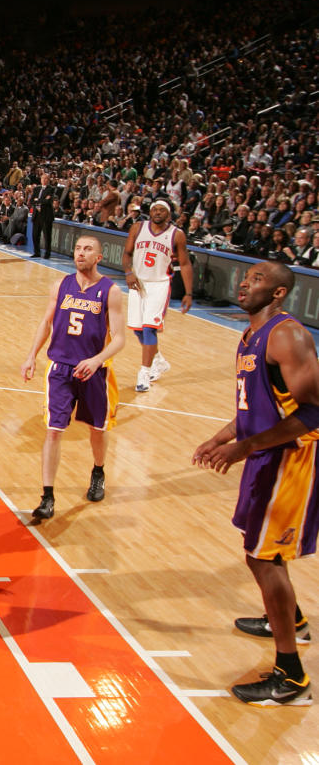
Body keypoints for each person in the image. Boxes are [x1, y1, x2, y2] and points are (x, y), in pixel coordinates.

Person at [193, 261, 318, 707]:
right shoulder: (249, 335)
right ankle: (290, 619)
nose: (245, 282)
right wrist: (222, 437)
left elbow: (313, 412)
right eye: (246, 277)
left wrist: (242, 449)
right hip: (264, 454)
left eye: (259, 279)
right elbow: (256, 406)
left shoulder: (288, 336)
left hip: (292, 459)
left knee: (265, 558)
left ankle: (291, 676)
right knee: (259, 553)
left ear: (280, 293)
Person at [20, 235, 125, 519]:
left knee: (97, 429)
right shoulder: (61, 285)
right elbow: (46, 322)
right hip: (60, 368)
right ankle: (47, 496)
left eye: (87, 249)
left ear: (99, 257)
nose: (80, 253)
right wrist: (31, 356)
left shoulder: (111, 291)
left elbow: (119, 339)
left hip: (93, 371)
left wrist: (96, 360)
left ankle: (98, 471)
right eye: (78, 248)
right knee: (54, 430)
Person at [123, 199, 193, 392]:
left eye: (162, 210)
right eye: (155, 209)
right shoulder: (138, 228)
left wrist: (188, 292)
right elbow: (127, 253)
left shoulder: (176, 235)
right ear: (150, 212)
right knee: (138, 329)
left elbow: (185, 264)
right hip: (138, 283)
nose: (158, 212)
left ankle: (144, 373)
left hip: (159, 284)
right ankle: (158, 360)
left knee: (149, 329)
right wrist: (128, 273)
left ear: (169, 214)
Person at [30, 171, 60, 259]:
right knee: (35, 235)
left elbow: (48, 201)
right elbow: (31, 201)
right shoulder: (36, 189)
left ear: (49, 180)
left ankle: (47, 254)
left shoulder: (51, 189)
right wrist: (41, 200)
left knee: (47, 236)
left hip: (46, 215)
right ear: (40, 179)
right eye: (43, 178)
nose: (44, 180)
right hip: (36, 215)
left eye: (46, 178)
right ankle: (37, 252)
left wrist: (37, 200)